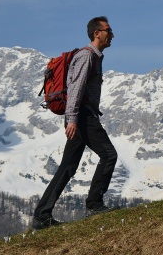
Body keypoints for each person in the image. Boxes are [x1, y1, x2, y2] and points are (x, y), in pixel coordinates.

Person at [32, 16, 118, 230]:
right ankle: (94, 204)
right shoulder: (86, 57)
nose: (112, 34)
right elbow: (76, 89)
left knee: (68, 167)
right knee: (109, 155)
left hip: (81, 116)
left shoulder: (93, 57)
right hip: (81, 117)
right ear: (96, 33)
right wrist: (72, 119)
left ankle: (42, 216)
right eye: (108, 30)